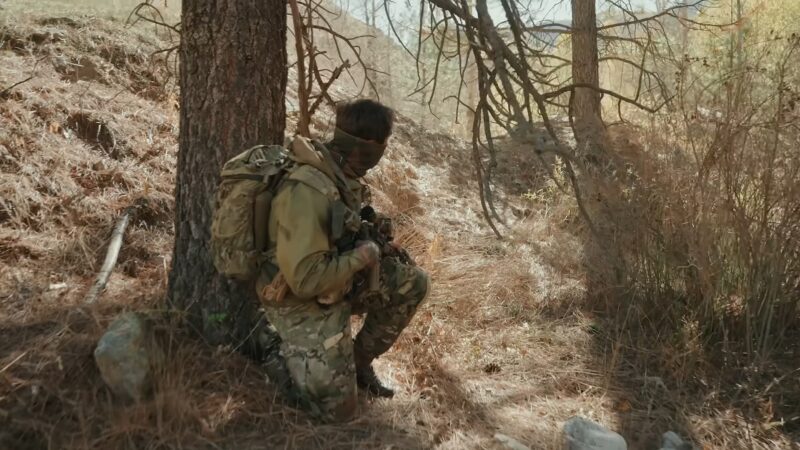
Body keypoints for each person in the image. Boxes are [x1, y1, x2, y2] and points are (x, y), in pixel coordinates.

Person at [255, 99, 431, 422]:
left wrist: (370, 238)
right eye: (381, 145)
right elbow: (305, 280)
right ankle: (272, 348)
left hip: (333, 281)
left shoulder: (341, 174)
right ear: (365, 147)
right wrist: (361, 258)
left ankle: (358, 361)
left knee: (413, 282)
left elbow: (341, 229)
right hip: (294, 298)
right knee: (338, 412)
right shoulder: (308, 188)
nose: (382, 152)